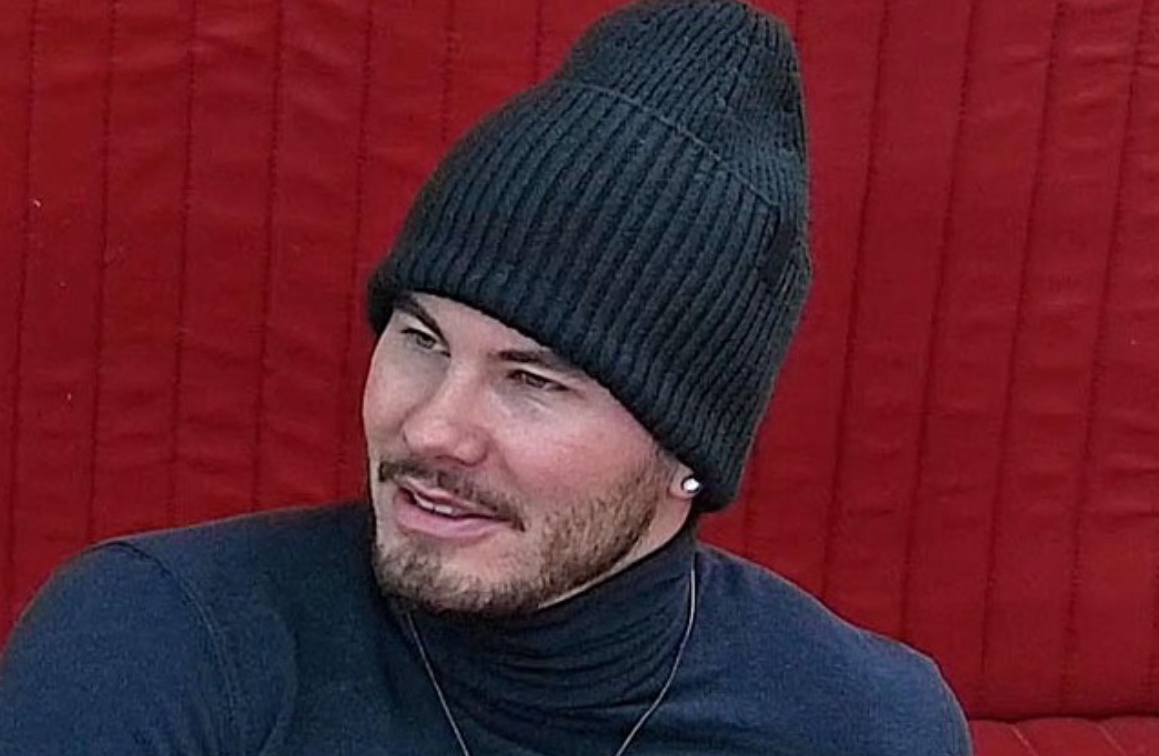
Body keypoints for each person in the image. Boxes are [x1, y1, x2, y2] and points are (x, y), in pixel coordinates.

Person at [0, 1, 972, 754]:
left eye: (534, 380)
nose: (432, 428)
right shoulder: (158, 643)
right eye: (422, 340)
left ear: (688, 450)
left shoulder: (865, 726)